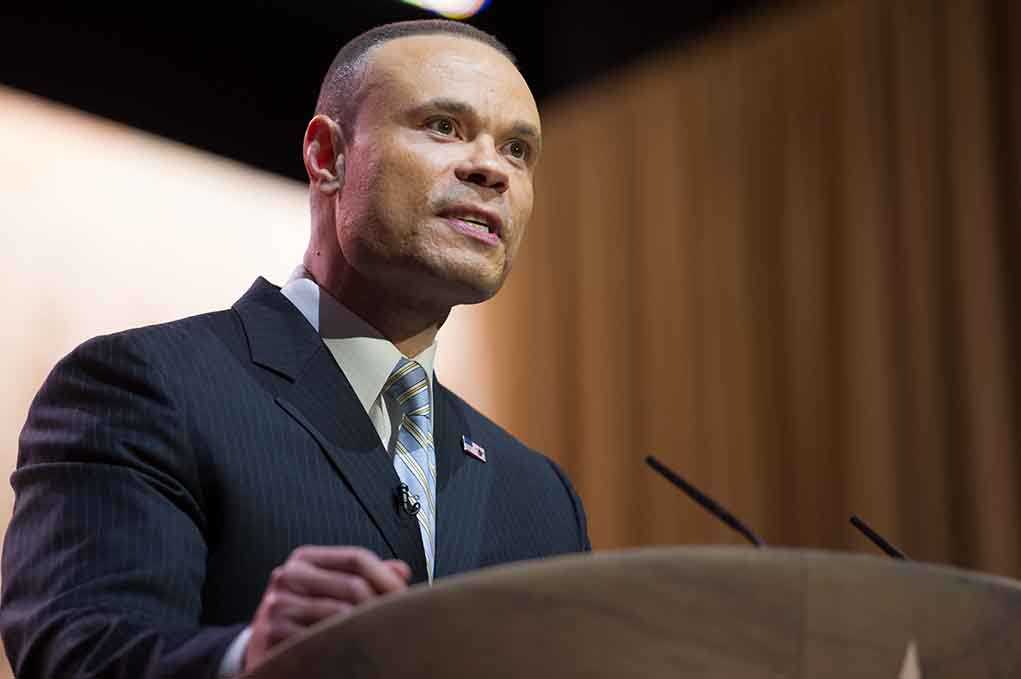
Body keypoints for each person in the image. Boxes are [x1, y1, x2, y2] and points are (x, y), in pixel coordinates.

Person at [0, 19, 590, 679]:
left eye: (517, 149)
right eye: (443, 126)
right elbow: (76, 651)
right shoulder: (144, 387)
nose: (491, 168)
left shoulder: (540, 495)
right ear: (327, 156)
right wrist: (248, 658)